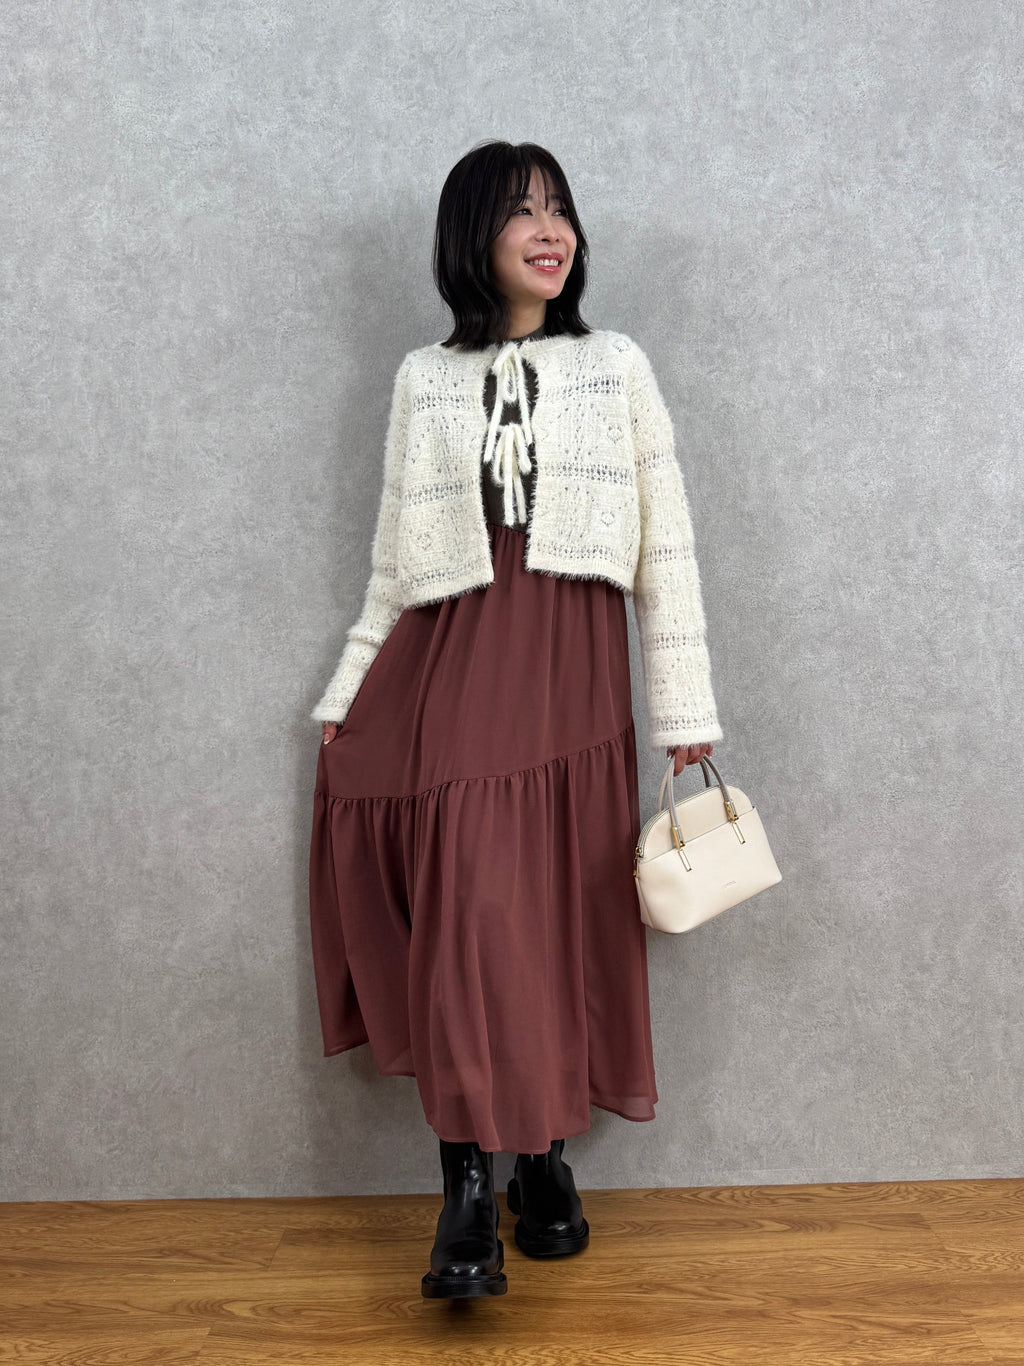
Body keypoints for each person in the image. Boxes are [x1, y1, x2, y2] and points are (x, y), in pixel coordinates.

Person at [307, 140, 724, 1300]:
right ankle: (465, 1188)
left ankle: (542, 1159)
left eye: (559, 210)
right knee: (469, 916)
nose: (550, 231)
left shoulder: (614, 365)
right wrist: (347, 691)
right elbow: (396, 559)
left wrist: (685, 708)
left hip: (573, 677)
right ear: (472, 238)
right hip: (455, 667)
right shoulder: (424, 379)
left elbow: (666, 546)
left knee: (556, 917)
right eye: (520, 213)